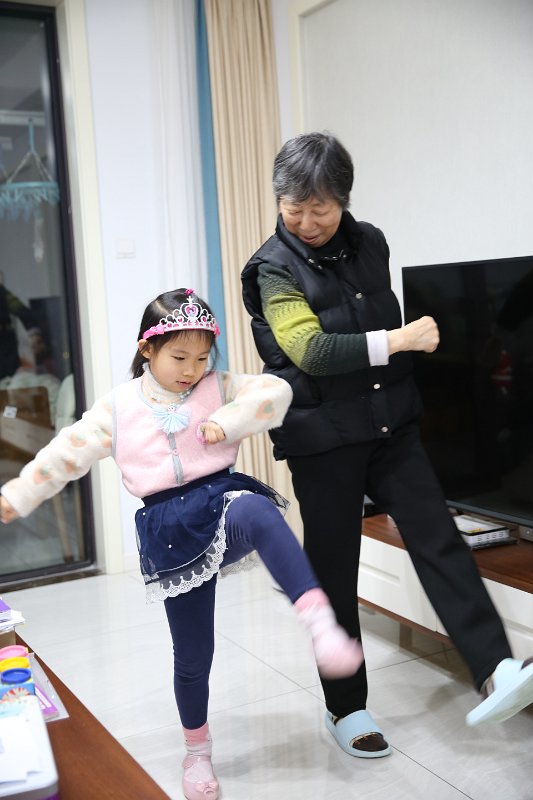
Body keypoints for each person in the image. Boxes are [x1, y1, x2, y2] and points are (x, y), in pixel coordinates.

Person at [0, 287, 362, 800]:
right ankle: (196, 751)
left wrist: (228, 421)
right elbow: (65, 455)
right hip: (170, 529)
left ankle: (320, 622)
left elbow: (276, 392)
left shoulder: (219, 386)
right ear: (147, 349)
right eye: (179, 357)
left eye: (201, 357)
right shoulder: (118, 407)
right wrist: (17, 495)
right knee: (194, 655)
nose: (192, 369)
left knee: (257, 510)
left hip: (220, 501)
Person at [241, 132, 533, 759]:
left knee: (439, 537)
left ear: (344, 200)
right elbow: (311, 351)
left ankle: (496, 668)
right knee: (334, 571)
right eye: (294, 207)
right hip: (323, 440)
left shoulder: (370, 241)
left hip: (390, 425)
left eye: (321, 208)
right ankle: (345, 708)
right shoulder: (271, 269)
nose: (307, 222)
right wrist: (400, 341)